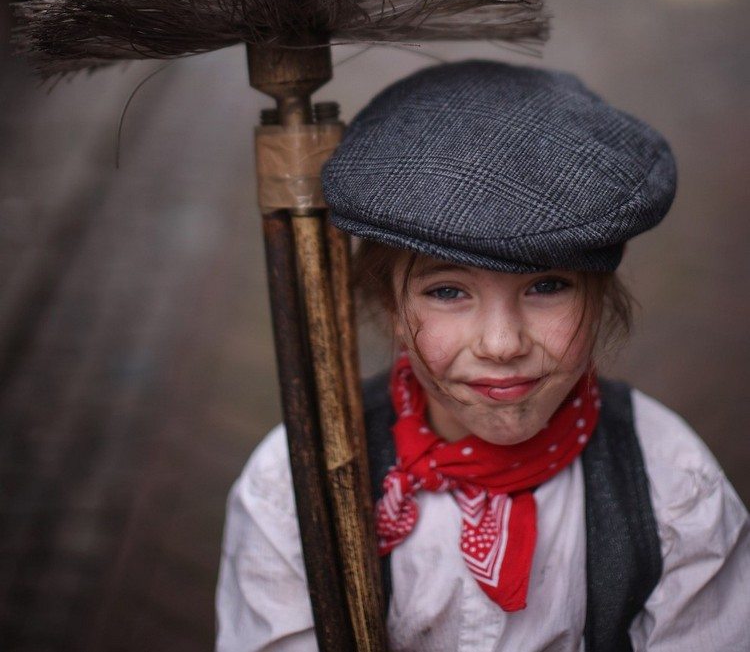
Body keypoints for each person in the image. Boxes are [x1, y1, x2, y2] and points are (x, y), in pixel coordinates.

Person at [215, 61, 750, 651]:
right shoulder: (293, 483)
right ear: (388, 304)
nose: (501, 345)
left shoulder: (673, 485)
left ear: (600, 296)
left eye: (547, 286)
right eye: (448, 292)